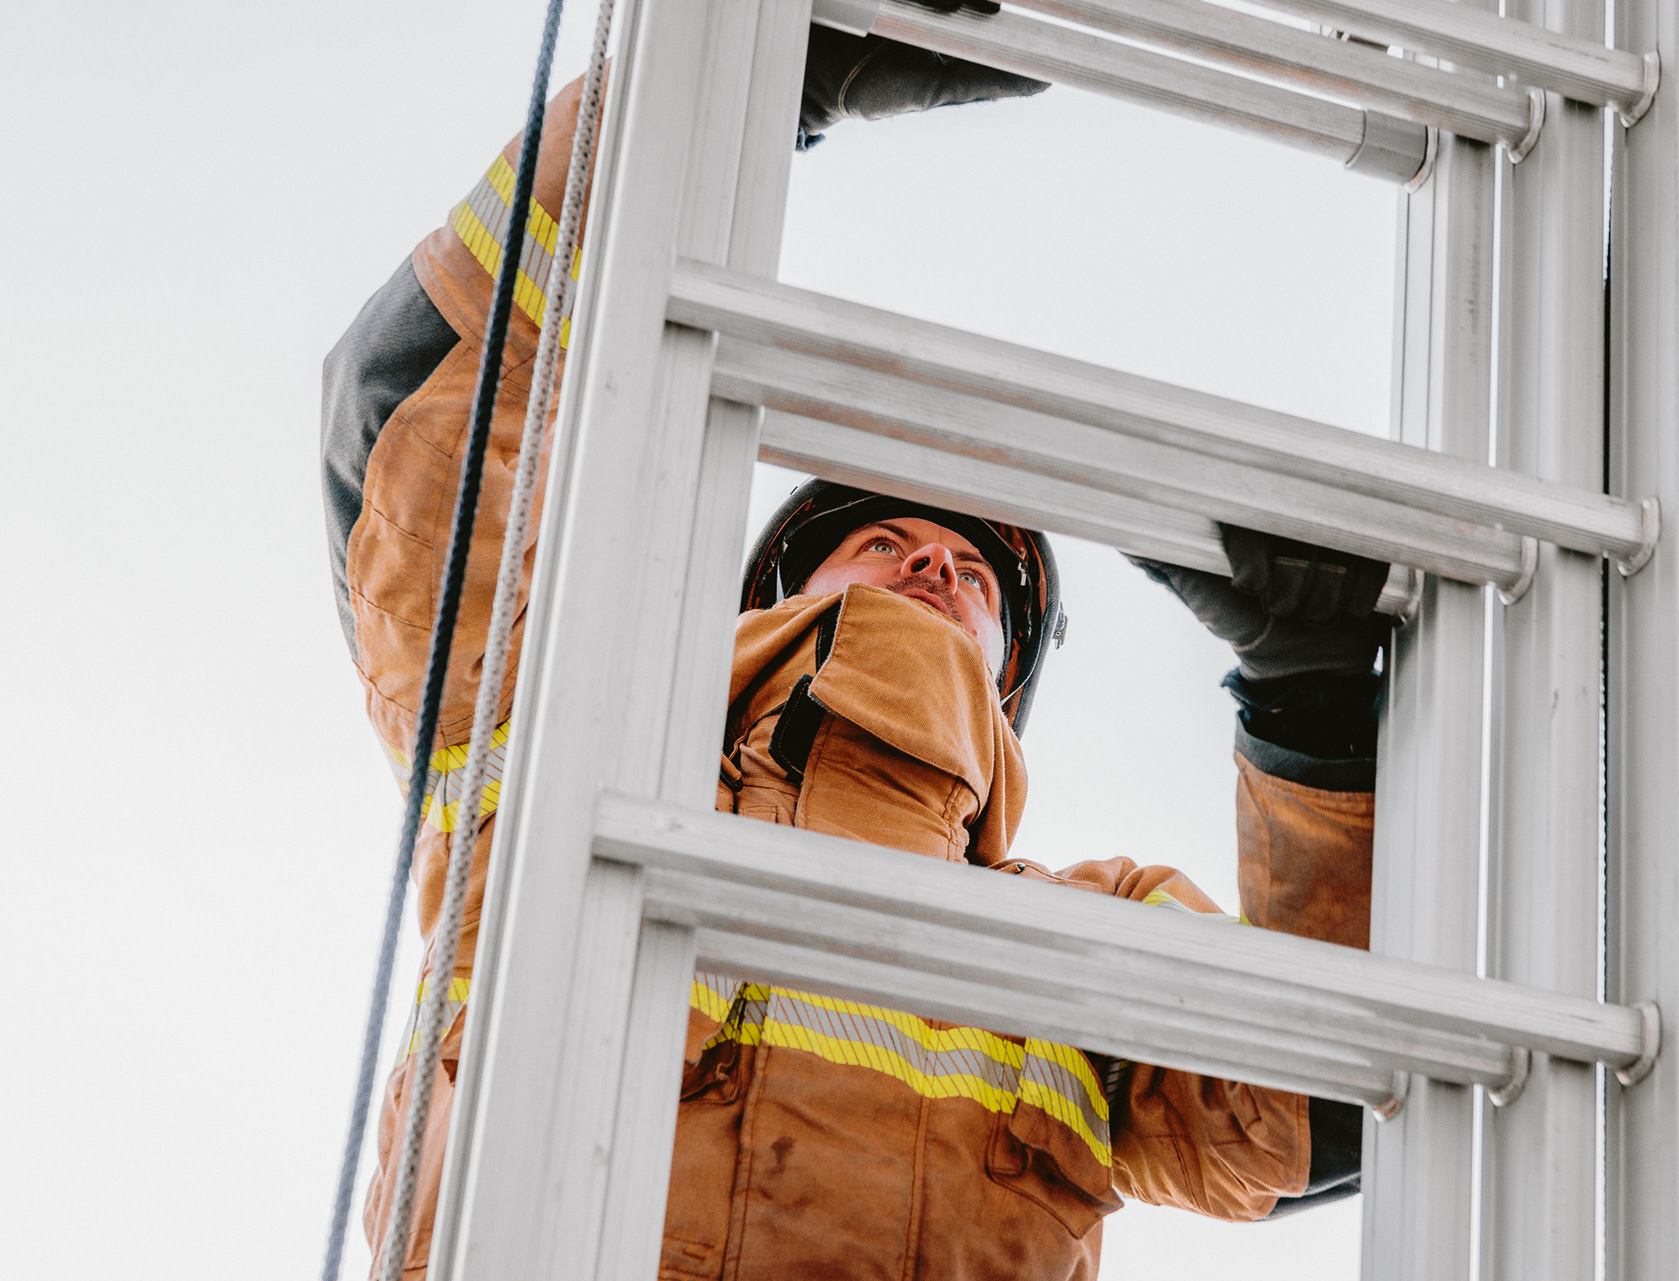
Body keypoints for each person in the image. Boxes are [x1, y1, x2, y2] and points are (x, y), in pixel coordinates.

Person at [322, 16, 1385, 1280]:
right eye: (882, 540)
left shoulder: (1086, 936)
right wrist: (746, 82)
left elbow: (1322, 1112)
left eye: (979, 573)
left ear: (1007, 678)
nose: (934, 563)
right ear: (774, 591)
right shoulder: (563, 750)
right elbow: (408, 413)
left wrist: (1310, 712)